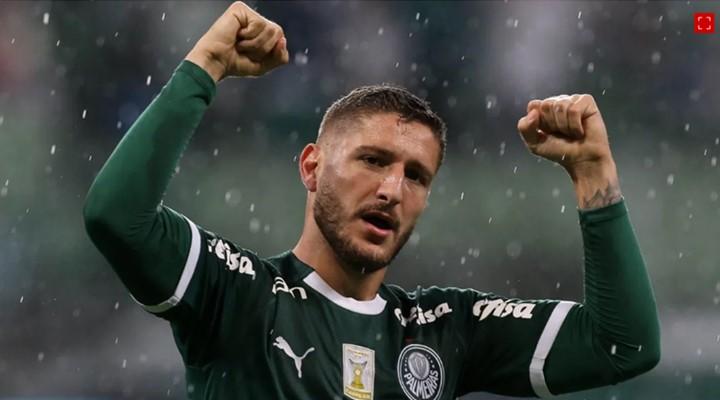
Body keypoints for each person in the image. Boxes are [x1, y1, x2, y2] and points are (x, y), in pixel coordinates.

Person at [83, 2, 660, 399]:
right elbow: (118, 218)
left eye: (416, 176)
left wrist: (592, 175)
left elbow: (623, 347)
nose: (392, 189)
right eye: (373, 160)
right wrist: (204, 66)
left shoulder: (440, 330)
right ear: (312, 167)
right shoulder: (239, 295)